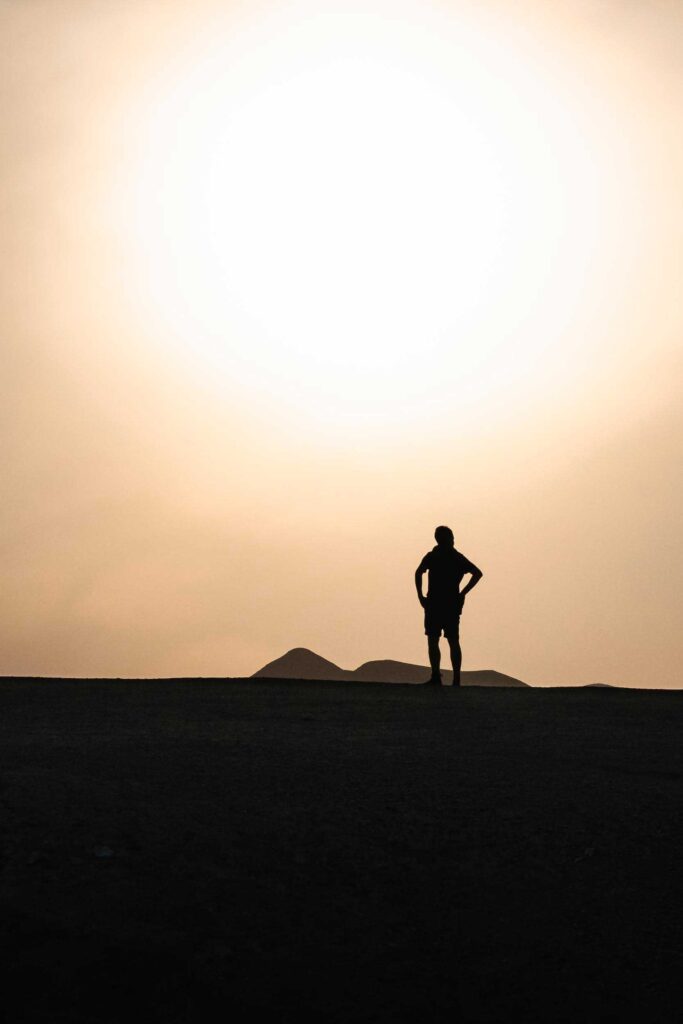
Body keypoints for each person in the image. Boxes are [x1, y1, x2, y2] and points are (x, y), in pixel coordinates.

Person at [414, 526, 483, 687]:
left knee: (441, 640)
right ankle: (444, 677)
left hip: (441, 603)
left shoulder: (445, 556)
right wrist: (462, 593)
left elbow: (478, 573)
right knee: (442, 639)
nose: (453, 540)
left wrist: (463, 593)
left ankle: (446, 677)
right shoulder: (448, 557)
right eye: (450, 537)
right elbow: (418, 573)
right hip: (443, 603)